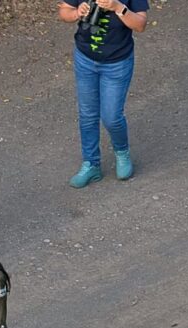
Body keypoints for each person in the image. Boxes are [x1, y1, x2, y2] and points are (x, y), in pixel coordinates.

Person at [58, 0, 148, 188]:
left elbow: (140, 25)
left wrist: (118, 8)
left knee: (112, 117)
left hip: (117, 63)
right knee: (87, 115)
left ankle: (122, 153)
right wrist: (76, 13)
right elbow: (64, 12)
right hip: (85, 60)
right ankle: (91, 164)